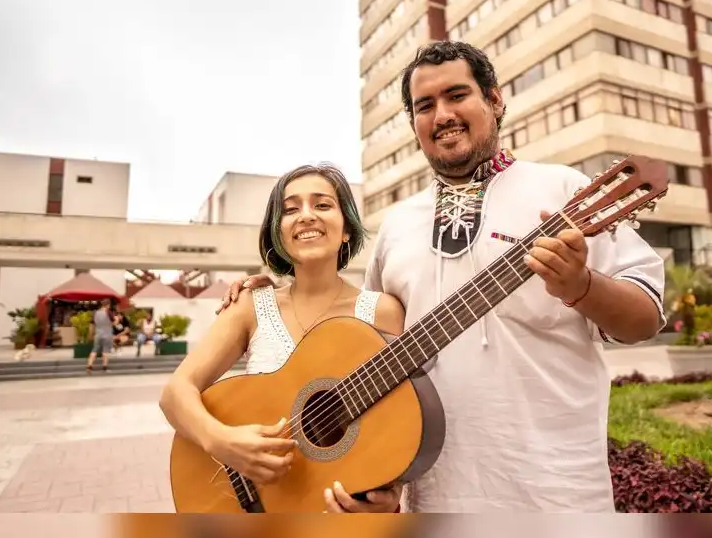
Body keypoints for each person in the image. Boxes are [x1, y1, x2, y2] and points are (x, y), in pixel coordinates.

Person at [217, 41, 666, 513]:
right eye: (425, 106)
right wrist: (279, 293)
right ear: (414, 124)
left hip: (557, 491)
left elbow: (645, 320)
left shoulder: (563, 191)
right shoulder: (397, 225)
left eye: (457, 96)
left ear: (494, 100)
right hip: (435, 497)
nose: (442, 114)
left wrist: (581, 286)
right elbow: (356, 355)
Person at [159, 163, 407, 514]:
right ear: (278, 232)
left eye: (322, 205)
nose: (306, 216)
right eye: (290, 209)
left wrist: (387, 500)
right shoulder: (249, 307)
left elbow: (400, 424)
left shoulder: (383, 312)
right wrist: (222, 442)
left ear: (347, 229)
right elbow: (175, 393)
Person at [87, 299, 114, 373]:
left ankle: (89, 366)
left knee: (94, 350)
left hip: (98, 334)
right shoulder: (108, 312)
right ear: (108, 305)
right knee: (105, 351)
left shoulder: (95, 313)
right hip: (107, 334)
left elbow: (92, 324)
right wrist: (116, 320)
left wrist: (90, 334)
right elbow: (114, 322)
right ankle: (104, 368)